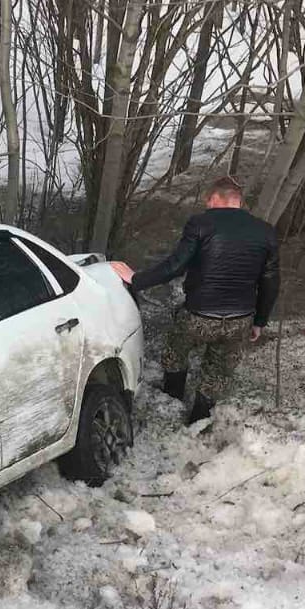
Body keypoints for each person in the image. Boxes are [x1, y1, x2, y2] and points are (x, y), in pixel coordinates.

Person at [110, 176, 280, 425]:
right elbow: (271, 281)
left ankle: (172, 401)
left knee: (175, 354)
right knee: (218, 371)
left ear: (216, 197)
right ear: (239, 200)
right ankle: (198, 422)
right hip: (240, 319)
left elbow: (175, 266)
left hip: (198, 315)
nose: (207, 206)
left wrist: (136, 279)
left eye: (208, 201)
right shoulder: (266, 232)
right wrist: (260, 321)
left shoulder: (201, 223)